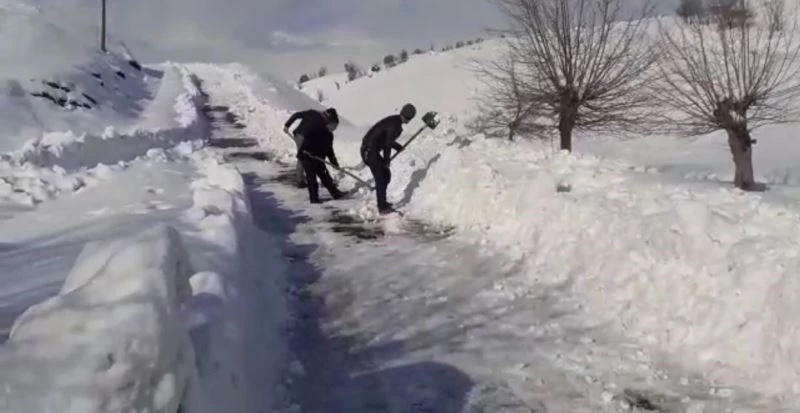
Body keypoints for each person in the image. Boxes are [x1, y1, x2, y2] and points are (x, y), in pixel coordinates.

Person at [360, 103, 416, 214]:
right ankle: (382, 207)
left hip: (371, 150)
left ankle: (383, 202)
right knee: (381, 177)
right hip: (369, 151)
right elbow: (387, 144)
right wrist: (386, 161)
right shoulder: (395, 125)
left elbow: (387, 139)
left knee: (385, 175)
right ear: (409, 118)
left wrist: (397, 147)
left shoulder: (394, 121)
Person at [294, 108, 346, 204]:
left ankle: (336, 194)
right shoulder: (317, 129)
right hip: (307, 157)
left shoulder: (329, 136)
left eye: (336, 126)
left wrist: (335, 164)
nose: (335, 128)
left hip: (318, 158)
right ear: (329, 123)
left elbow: (330, 151)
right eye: (334, 126)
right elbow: (307, 140)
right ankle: (314, 199)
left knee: (325, 177)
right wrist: (309, 151)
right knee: (312, 179)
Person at [284, 108, 339, 188]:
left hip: (304, 136)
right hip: (302, 136)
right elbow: (328, 149)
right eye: (334, 126)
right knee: (303, 157)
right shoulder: (321, 122)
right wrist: (287, 125)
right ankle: (300, 181)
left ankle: (322, 180)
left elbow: (296, 115)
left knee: (310, 157)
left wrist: (287, 125)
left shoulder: (315, 115)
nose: (333, 129)